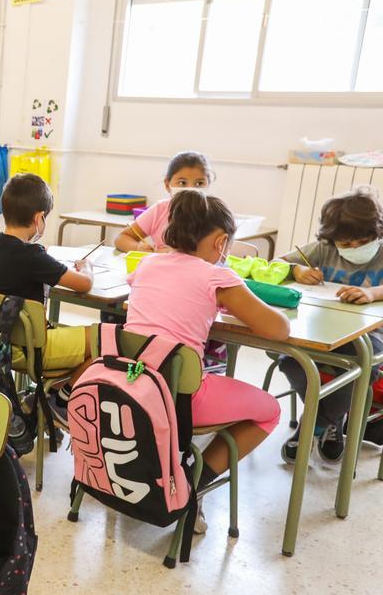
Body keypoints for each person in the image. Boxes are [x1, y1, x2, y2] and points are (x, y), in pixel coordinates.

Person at [124, 189, 289, 532]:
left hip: (132, 388)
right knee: (269, 410)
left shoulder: (148, 264)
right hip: (179, 399)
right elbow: (278, 329)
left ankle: (171, 477)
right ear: (221, 243)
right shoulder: (218, 277)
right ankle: (191, 486)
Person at [279, 186, 383, 463]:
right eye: (346, 244)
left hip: (370, 334)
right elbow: (275, 265)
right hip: (319, 330)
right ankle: (331, 421)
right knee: (290, 359)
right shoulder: (325, 250)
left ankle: (315, 425)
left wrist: (373, 293)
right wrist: (297, 270)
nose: (355, 249)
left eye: (363, 241)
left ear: (377, 232)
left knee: (362, 366)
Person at [0, 173, 94, 395]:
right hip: (31, 349)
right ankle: (63, 397)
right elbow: (84, 284)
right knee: (104, 339)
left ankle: (50, 393)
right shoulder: (34, 256)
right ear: (39, 218)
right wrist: (86, 266)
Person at [115, 151, 214, 253]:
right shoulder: (160, 210)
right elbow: (122, 238)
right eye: (182, 183)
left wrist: (176, 254)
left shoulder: (214, 213)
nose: (190, 189)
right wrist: (139, 248)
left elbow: (219, 252)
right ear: (167, 185)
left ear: (208, 184)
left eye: (199, 183)